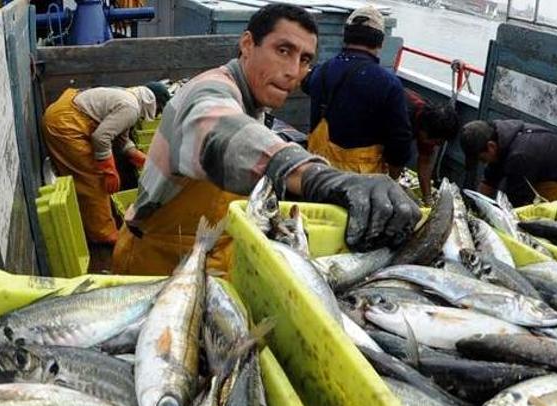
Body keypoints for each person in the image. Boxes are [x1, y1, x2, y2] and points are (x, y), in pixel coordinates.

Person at [111, 3, 420, 275]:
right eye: (283, 50)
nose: (293, 71)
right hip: (155, 266)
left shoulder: (254, 103)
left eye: (305, 59)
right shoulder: (210, 90)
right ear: (247, 44)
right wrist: (317, 178)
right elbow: (220, 132)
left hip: (203, 257)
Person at [42, 81, 171, 244]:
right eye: (159, 109)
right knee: (93, 181)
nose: (158, 113)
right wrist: (109, 171)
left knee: (89, 177)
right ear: (154, 104)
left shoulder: (130, 98)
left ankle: (92, 220)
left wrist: (143, 160)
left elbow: (121, 140)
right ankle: (104, 234)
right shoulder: (131, 108)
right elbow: (101, 138)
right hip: (66, 123)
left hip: (66, 110)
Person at [304, 5, 413, 176]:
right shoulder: (389, 85)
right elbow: (400, 143)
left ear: (346, 36)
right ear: (381, 42)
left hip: (315, 174)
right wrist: (393, 178)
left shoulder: (321, 72)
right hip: (360, 181)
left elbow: (306, 83)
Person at [460, 119, 557, 206]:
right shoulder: (498, 134)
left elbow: (516, 203)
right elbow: (489, 180)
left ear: (491, 147)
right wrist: (475, 207)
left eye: (482, 159)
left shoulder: (519, 156)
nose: (483, 163)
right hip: (542, 178)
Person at [405, 89, 460, 204]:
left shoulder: (429, 125)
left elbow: (425, 161)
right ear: (424, 132)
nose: (436, 146)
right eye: (435, 142)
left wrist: (428, 198)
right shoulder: (403, 116)